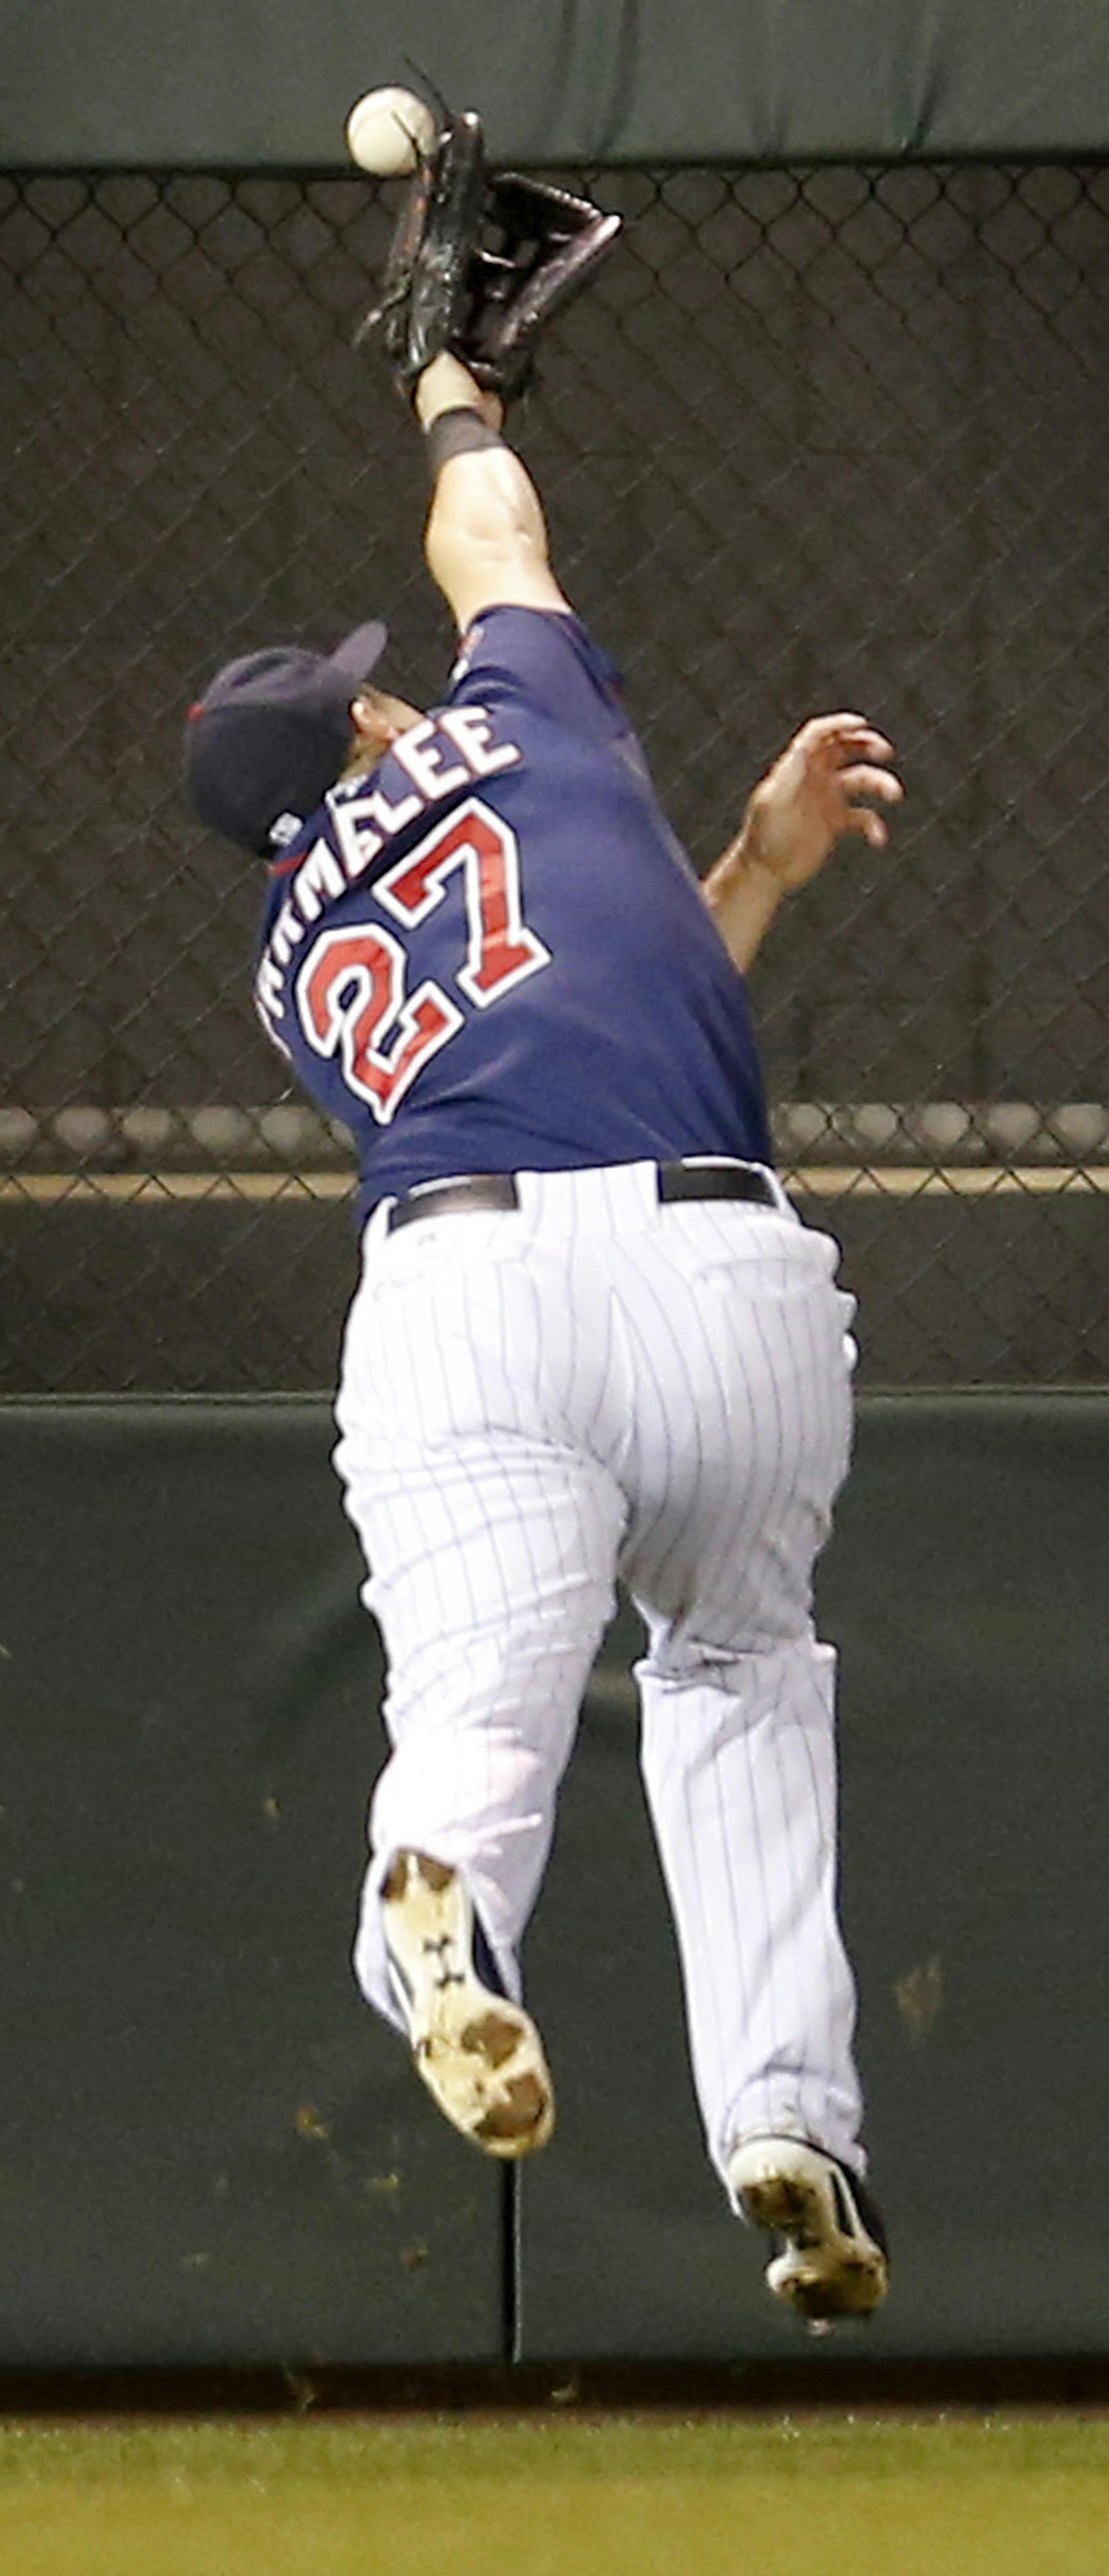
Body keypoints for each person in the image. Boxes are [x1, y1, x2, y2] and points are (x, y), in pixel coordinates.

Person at [185, 347, 902, 2324]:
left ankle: (444, 1900)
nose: (390, 679)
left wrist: (744, 874)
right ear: (358, 731)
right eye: (361, 688)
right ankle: (789, 2122)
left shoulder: (292, 968)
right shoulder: (518, 711)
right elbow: (485, 534)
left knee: (479, 1718)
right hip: (720, 1278)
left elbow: (557, 1013)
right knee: (745, 1664)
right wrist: (453, 391)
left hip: (474, 1284)